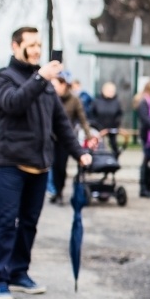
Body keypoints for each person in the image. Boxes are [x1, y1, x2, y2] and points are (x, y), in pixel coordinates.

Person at [0, 26, 91, 299]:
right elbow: (11, 104)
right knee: (6, 222)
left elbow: (61, 124)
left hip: (39, 165)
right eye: (30, 44)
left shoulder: (45, 85)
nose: (36, 49)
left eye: (38, 45)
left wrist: (79, 152)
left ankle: (19, 273)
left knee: (29, 223)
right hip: (10, 163)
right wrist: (39, 77)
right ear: (15, 46)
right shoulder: (3, 78)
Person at [49, 71, 95, 205]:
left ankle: (59, 191)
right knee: (54, 166)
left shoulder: (75, 100)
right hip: (52, 138)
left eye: (56, 84)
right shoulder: (52, 98)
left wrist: (89, 136)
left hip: (66, 138)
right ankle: (56, 191)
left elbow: (83, 119)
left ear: (64, 84)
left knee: (61, 167)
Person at [90, 81, 124, 156]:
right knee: (98, 145)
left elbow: (119, 114)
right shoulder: (97, 101)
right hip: (99, 128)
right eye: (108, 90)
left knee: (114, 145)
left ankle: (114, 159)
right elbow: (92, 114)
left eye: (112, 91)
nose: (110, 92)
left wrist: (117, 123)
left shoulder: (117, 102)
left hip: (112, 127)